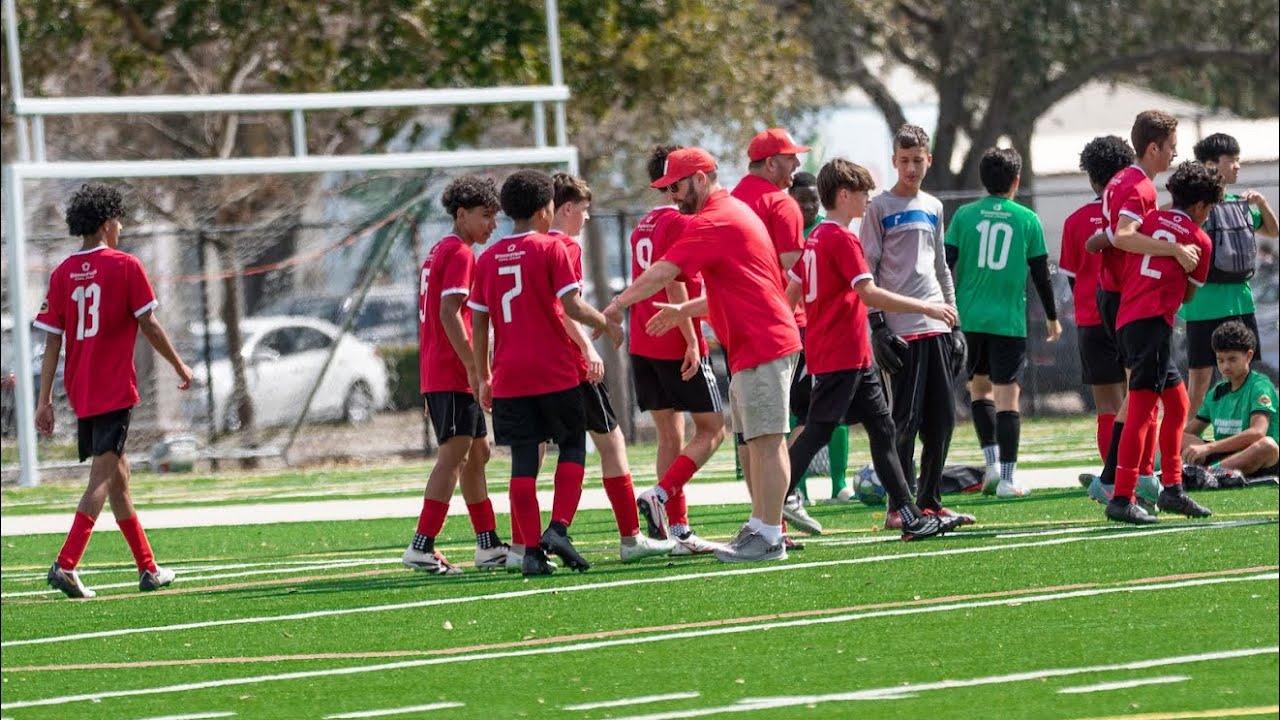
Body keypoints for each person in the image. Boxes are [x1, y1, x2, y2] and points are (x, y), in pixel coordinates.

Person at [605, 147, 802, 563]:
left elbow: (664, 271)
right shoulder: (728, 214)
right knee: (756, 442)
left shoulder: (716, 218)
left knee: (766, 442)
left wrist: (618, 303)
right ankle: (761, 526)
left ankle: (769, 536)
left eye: (675, 186)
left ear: (698, 178)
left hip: (763, 341)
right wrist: (684, 311)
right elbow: (737, 288)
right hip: (756, 341)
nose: (673, 196)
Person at [784, 158, 963, 540]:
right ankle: (777, 496)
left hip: (853, 352)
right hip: (840, 353)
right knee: (818, 430)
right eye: (863, 193)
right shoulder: (840, 237)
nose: (868, 200)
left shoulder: (815, 237)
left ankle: (910, 515)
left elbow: (793, 290)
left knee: (883, 430)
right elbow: (868, 292)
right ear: (844, 195)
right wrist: (927, 307)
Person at [34, 183, 194, 599]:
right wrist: (179, 365)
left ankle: (148, 568)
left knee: (119, 475)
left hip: (82, 389)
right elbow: (150, 325)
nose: (121, 227)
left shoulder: (63, 273)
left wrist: (44, 400)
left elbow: (52, 341)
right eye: (119, 220)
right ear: (107, 224)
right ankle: (66, 564)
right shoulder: (125, 266)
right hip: (114, 389)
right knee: (103, 476)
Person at [468, 169, 623, 575]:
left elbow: (480, 324)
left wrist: (483, 376)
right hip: (553, 370)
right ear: (545, 210)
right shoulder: (551, 249)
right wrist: (606, 324)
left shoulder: (487, 259)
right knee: (572, 445)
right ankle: (558, 528)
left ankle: (532, 554)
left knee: (523, 462)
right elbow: (571, 307)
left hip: (509, 375)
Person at [549, 172, 674, 563]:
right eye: (584, 210)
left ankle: (528, 541)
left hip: (543, 366)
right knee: (611, 443)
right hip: (570, 362)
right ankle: (628, 538)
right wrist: (590, 345)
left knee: (545, 451)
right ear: (566, 208)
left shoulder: (533, 246)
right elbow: (565, 309)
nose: (586, 218)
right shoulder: (564, 248)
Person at [1086, 110, 1201, 494]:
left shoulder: (1124, 179)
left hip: (1120, 294)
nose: (1174, 154)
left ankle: (1157, 481)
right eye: (1171, 147)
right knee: (1141, 398)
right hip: (1130, 298)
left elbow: (1107, 235)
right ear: (1153, 148)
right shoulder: (1140, 186)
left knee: (1169, 398)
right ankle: (1117, 484)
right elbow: (1123, 235)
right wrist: (1175, 250)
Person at [859, 124, 967, 529]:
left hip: (936, 326)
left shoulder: (935, 206)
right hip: (901, 330)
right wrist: (878, 326)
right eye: (903, 161)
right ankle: (897, 507)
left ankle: (931, 501)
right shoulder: (879, 208)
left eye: (917, 160)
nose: (910, 168)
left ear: (929, 160)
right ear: (893, 161)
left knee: (943, 421)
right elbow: (866, 270)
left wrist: (955, 323)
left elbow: (941, 267)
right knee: (904, 421)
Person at [404, 175, 508, 576]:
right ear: (461, 215)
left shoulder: (441, 249)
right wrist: (474, 366)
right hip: (450, 372)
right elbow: (450, 314)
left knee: (477, 453)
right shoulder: (461, 253)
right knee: (454, 457)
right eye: (485, 216)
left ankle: (487, 544)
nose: (492, 225)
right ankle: (421, 546)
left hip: (442, 371)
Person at [1106, 161, 1220, 524]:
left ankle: (1172, 489)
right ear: (1202, 207)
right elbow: (1187, 295)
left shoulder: (1149, 221)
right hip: (1153, 324)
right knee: (1141, 410)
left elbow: (1119, 241)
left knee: (1177, 400)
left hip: (1128, 320)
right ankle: (1122, 495)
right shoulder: (1200, 240)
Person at [628, 146, 726, 556]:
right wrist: (691, 339)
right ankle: (667, 503)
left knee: (671, 434)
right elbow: (675, 282)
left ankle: (676, 529)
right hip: (673, 339)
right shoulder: (678, 222)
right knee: (714, 429)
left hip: (642, 341)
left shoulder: (641, 224)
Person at [945, 147, 1060, 499]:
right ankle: (1008, 477)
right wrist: (1053, 317)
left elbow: (945, 264)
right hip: (1008, 322)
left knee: (979, 390)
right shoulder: (1026, 219)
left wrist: (944, 308)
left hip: (969, 319)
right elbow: (1041, 273)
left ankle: (991, 465)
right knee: (1009, 396)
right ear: (1016, 180)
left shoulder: (964, 216)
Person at [728, 128, 815, 538]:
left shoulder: (728, 200)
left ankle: (763, 517)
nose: (796, 165)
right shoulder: (781, 203)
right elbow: (793, 273)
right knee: (781, 430)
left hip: (735, 328)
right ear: (769, 162)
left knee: (751, 434)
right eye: (789, 157)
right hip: (776, 328)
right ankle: (772, 523)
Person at [1182, 133, 1280, 420]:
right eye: (1232, 160)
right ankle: (1185, 443)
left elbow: (1273, 232)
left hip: (1241, 304)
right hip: (1202, 305)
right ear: (1211, 164)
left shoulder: (1240, 204)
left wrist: (1261, 203)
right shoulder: (1193, 206)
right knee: (1200, 380)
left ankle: (1242, 434)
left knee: (1245, 376)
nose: (1237, 166)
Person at [1058, 136, 1134, 476]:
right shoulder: (1137, 217)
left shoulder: (1075, 221)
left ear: (1091, 177)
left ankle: (1112, 475)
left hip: (1091, 319)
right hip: (1134, 317)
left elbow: (1072, 279)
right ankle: (1138, 472)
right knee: (1139, 400)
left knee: (1107, 405)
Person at [788, 171, 851, 504]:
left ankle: (840, 483)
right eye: (802, 201)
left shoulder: (831, 232)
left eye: (814, 199)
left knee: (836, 409)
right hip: (798, 333)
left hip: (829, 334)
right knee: (799, 411)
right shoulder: (786, 235)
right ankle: (797, 487)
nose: (810, 206)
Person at [1182, 321, 1279, 478]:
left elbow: (1257, 433)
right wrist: (1190, 447)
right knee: (1179, 437)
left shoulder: (1260, 386)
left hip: (1257, 459)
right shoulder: (1217, 391)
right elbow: (1189, 433)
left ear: (1249, 356)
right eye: (1220, 360)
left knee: (1268, 445)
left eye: (1232, 359)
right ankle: (1188, 473)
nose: (1225, 366)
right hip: (1223, 457)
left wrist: (1209, 448)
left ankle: (1206, 475)